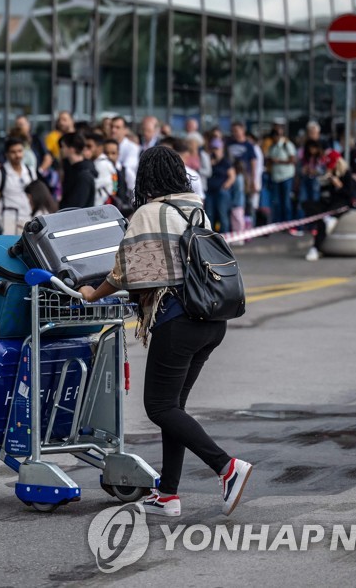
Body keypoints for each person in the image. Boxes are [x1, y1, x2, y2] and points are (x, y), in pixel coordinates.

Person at [78, 145, 253, 517]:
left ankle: (226, 466)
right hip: (211, 320)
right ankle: (168, 494)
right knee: (173, 407)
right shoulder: (196, 208)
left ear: (146, 177)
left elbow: (128, 272)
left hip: (178, 321)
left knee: (159, 406)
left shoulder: (149, 213)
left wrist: (93, 292)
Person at [304, 154, 355, 261]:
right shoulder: (331, 174)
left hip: (342, 204)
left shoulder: (346, 174)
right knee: (309, 206)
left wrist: (339, 185)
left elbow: (349, 194)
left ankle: (316, 248)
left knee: (325, 221)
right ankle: (316, 241)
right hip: (331, 202)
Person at [0, 137, 37, 235]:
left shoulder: (30, 171)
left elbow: (35, 195)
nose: (17, 155)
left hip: (27, 218)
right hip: (7, 219)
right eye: (13, 152)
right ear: (7, 154)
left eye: (20, 151)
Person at [268, 126, 297, 224]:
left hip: (286, 177)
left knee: (286, 201)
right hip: (276, 177)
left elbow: (293, 160)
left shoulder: (287, 144)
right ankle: (278, 222)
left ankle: (287, 222)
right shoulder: (272, 147)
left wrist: (278, 161)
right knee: (276, 202)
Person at [59, 133, 96, 209]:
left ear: (71, 149)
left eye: (63, 147)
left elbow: (75, 206)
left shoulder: (83, 175)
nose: (61, 150)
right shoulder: (73, 170)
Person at [205, 139, 235, 232]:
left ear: (221, 149)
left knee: (222, 214)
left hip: (221, 191)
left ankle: (224, 237)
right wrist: (210, 163)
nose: (215, 151)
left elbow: (232, 176)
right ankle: (211, 237)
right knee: (209, 214)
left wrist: (225, 186)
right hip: (210, 192)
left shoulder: (225, 162)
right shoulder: (208, 161)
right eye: (213, 149)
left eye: (217, 149)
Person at [85, 131, 115, 204]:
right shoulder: (101, 162)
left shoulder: (102, 165)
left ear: (100, 148)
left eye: (89, 146)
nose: (86, 149)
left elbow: (95, 188)